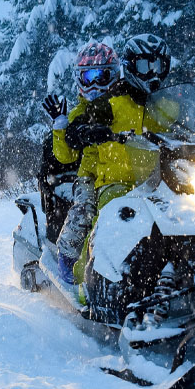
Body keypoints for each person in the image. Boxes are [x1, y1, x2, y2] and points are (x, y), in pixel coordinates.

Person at [63, 33, 174, 292]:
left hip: (162, 182)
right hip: (116, 182)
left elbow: (194, 128)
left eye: (158, 66)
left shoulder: (169, 105)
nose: (153, 74)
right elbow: (77, 128)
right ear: (130, 66)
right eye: (145, 66)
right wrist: (85, 131)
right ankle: (88, 277)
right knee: (112, 212)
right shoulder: (111, 102)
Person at [41, 41, 121, 285]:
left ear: (114, 75)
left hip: (124, 173)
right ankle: (67, 257)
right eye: (88, 77)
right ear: (79, 79)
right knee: (84, 209)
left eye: (101, 76)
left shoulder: (123, 105)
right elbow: (66, 156)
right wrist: (60, 125)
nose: (95, 84)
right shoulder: (78, 113)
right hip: (90, 176)